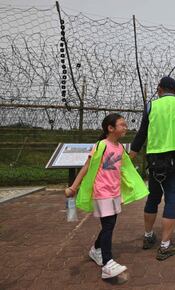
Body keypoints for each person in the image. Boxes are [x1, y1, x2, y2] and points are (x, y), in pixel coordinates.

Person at [64, 113, 149, 280]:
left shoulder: (120, 147)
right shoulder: (101, 145)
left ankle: (96, 250)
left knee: (110, 225)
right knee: (109, 224)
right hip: (101, 192)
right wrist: (74, 186)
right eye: (122, 125)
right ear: (110, 128)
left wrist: (131, 186)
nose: (126, 127)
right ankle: (107, 263)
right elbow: (87, 167)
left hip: (114, 192)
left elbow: (125, 168)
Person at [129, 76, 175, 261]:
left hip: (154, 160)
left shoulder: (152, 106)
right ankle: (165, 245)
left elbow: (142, 133)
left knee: (153, 198)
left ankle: (148, 236)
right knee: (172, 200)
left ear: (160, 88)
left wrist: (131, 156)